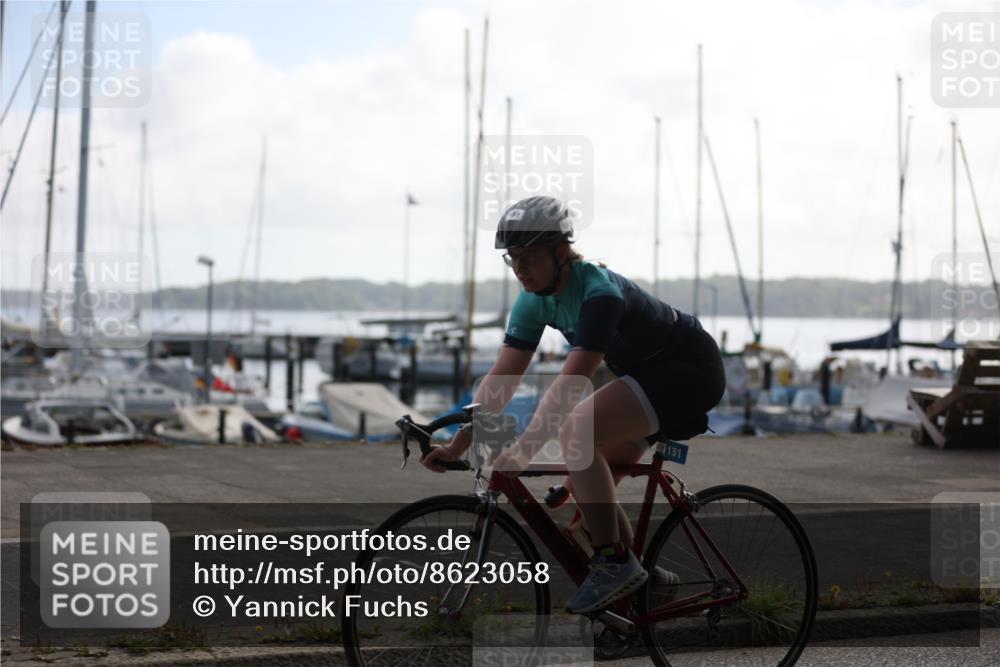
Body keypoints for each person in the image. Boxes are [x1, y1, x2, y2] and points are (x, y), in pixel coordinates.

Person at [421, 195, 726, 614]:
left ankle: (614, 565)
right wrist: (460, 443)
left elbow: (571, 384)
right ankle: (645, 583)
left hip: (689, 372)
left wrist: (525, 448)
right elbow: (503, 377)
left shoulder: (599, 292)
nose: (521, 269)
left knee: (578, 432)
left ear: (561, 252)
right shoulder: (533, 298)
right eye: (513, 259)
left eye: (529, 256)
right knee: (587, 491)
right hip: (647, 379)